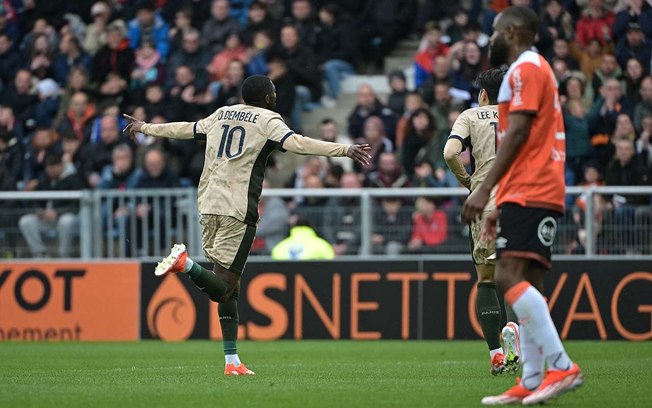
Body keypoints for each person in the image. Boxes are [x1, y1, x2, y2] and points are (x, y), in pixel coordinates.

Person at [123, 75, 370, 376]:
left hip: (208, 203)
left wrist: (145, 127)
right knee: (223, 288)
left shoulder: (220, 114)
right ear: (266, 97)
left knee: (232, 286)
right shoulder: (268, 119)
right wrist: (343, 150)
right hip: (238, 208)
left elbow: (185, 129)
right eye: (274, 92)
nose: (276, 96)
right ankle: (185, 264)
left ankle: (232, 361)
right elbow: (297, 144)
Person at [462, 7, 583, 405]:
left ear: (511, 32)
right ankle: (531, 380)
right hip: (527, 187)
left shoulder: (524, 68)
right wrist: (500, 203)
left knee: (507, 276)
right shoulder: (534, 69)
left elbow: (516, 134)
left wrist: (483, 192)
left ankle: (561, 365)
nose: (489, 40)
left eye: (494, 32)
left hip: (534, 186)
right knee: (525, 279)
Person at [444, 68, 520, 376]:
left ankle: (497, 354)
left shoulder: (471, 116)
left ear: (483, 93)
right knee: (520, 275)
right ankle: (517, 327)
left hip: (486, 202)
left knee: (487, 279)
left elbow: (451, 152)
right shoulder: (522, 116)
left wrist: (469, 182)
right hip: (522, 201)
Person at [18, 154, 83, 258]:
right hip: (47, 218)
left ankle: (64, 255)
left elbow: (76, 204)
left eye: (53, 168)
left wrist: (58, 212)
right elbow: (36, 201)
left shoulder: (74, 179)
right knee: (26, 221)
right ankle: (40, 254)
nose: (51, 171)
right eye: (48, 168)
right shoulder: (45, 179)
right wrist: (39, 211)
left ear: (61, 166)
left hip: (67, 216)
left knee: (67, 221)